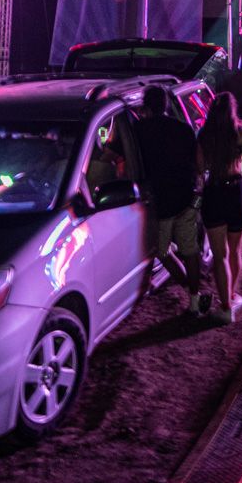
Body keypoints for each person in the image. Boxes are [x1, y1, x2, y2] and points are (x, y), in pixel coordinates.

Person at [103, 86, 205, 315]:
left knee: (160, 250)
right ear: (167, 105)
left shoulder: (137, 130)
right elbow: (198, 163)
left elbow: (108, 155)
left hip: (159, 200)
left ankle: (187, 284)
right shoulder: (183, 128)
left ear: (145, 106)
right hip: (186, 197)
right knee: (190, 250)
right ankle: (195, 298)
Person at [196, 92, 242, 323]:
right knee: (235, 251)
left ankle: (226, 307)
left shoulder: (204, 134)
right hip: (235, 191)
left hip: (213, 192)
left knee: (219, 255)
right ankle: (231, 295)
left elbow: (200, 169)